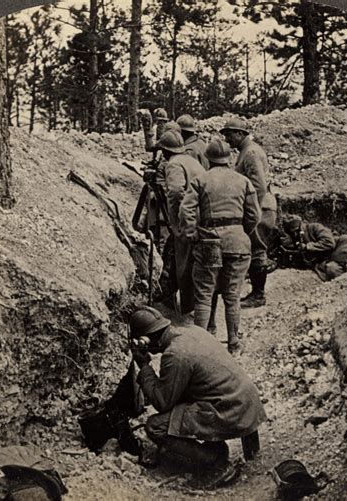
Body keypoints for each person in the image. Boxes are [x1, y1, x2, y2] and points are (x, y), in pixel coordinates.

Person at [129, 307, 267, 489]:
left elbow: (162, 403)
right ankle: (229, 452)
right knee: (181, 405)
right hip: (246, 401)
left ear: (145, 340)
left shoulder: (175, 354)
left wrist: (144, 365)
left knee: (156, 426)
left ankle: (217, 464)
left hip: (231, 410)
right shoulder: (194, 331)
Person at [180, 139, 261, 353]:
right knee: (232, 296)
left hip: (209, 241)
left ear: (208, 159)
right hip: (238, 242)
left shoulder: (200, 180)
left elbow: (185, 210)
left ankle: (202, 345)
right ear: (229, 158)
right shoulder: (243, 181)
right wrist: (240, 230)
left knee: (205, 294)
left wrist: (192, 233)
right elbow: (255, 215)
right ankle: (234, 343)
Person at [220, 118, 277, 307]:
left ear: (240, 134)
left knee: (257, 249)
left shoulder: (251, 153)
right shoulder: (247, 151)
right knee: (254, 249)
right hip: (260, 206)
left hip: (261, 207)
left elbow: (259, 186)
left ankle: (258, 295)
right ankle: (256, 293)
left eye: (229, 135)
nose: (227, 140)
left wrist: (252, 211)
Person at [157, 130, 205, 313]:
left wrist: (176, 220)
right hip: (202, 218)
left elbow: (176, 192)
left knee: (184, 263)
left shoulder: (174, 164)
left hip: (189, 220)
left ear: (165, 151)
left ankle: (187, 309)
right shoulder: (191, 161)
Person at [281, 215, 347, 280]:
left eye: (297, 231)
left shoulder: (314, 227)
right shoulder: (295, 239)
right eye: (292, 233)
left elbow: (329, 243)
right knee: (332, 270)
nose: (295, 234)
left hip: (343, 246)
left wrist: (307, 246)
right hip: (330, 259)